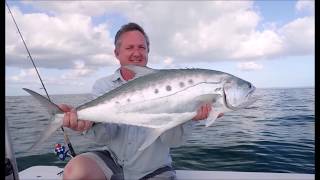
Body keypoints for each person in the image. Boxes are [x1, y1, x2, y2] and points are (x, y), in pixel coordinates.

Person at [60, 22, 223, 180]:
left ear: (148, 51)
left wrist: (190, 118)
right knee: (75, 171)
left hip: (155, 170)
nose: (137, 53)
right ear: (116, 53)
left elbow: (172, 141)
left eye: (141, 47)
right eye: (130, 47)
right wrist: (88, 124)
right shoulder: (104, 85)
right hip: (113, 161)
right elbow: (105, 136)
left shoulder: (170, 86)